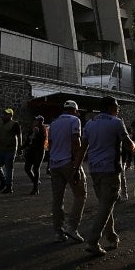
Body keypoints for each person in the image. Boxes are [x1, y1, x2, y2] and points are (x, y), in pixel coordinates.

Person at [82, 96, 135, 257]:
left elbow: (83, 147)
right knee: (106, 205)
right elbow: (128, 144)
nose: (118, 109)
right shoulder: (116, 122)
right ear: (111, 107)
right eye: (117, 106)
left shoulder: (90, 123)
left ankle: (111, 236)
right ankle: (93, 240)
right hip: (110, 169)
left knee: (105, 204)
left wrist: (76, 166)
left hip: (94, 169)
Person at [49, 101, 87, 243]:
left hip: (54, 163)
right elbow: (76, 142)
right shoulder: (75, 120)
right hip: (68, 162)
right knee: (80, 195)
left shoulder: (53, 123)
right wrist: (77, 164)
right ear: (74, 110)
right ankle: (72, 226)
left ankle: (58, 232)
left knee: (57, 199)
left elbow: (50, 144)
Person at [0, 108, 21, 194]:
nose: (3, 115)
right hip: (0, 149)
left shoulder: (14, 124)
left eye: (6, 114)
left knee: (9, 169)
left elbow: (19, 136)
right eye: (3, 114)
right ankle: (3, 181)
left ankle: (9, 187)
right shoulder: (0, 125)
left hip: (10, 150)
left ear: (11, 115)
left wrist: (19, 148)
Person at [24, 115, 48, 195]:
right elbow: (28, 140)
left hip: (39, 151)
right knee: (27, 168)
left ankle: (35, 188)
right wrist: (21, 148)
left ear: (40, 122)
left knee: (36, 168)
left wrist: (37, 133)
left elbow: (43, 141)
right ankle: (36, 181)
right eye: (34, 120)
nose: (34, 122)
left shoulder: (42, 129)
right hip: (31, 151)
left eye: (37, 120)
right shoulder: (32, 129)